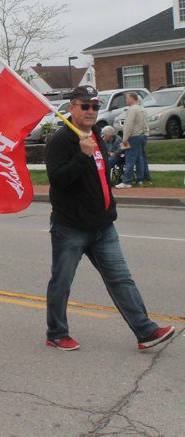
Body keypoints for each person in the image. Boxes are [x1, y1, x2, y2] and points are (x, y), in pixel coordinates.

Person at [44, 85, 174, 352]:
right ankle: (57, 332)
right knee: (62, 282)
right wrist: (82, 155)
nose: (91, 111)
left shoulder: (96, 135)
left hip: (103, 226)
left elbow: (100, 178)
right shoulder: (61, 141)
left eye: (94, 106)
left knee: (121, 279)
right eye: (85, 106)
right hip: (71, 228)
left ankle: (146, 332)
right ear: (72, 108)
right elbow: (58, 180)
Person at [115, 92, 150, 188]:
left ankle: (126, 181)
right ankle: (141, 178)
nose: (126, 100)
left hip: (133, 137)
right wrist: (146, 133)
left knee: (130, 159)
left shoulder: (132, 110)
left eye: (127, 98)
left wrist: (125, 138)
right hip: (141, 136)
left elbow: (128, 125)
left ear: (133, 99)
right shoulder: (142, 109)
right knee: (140, 158)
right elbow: (145, 123)